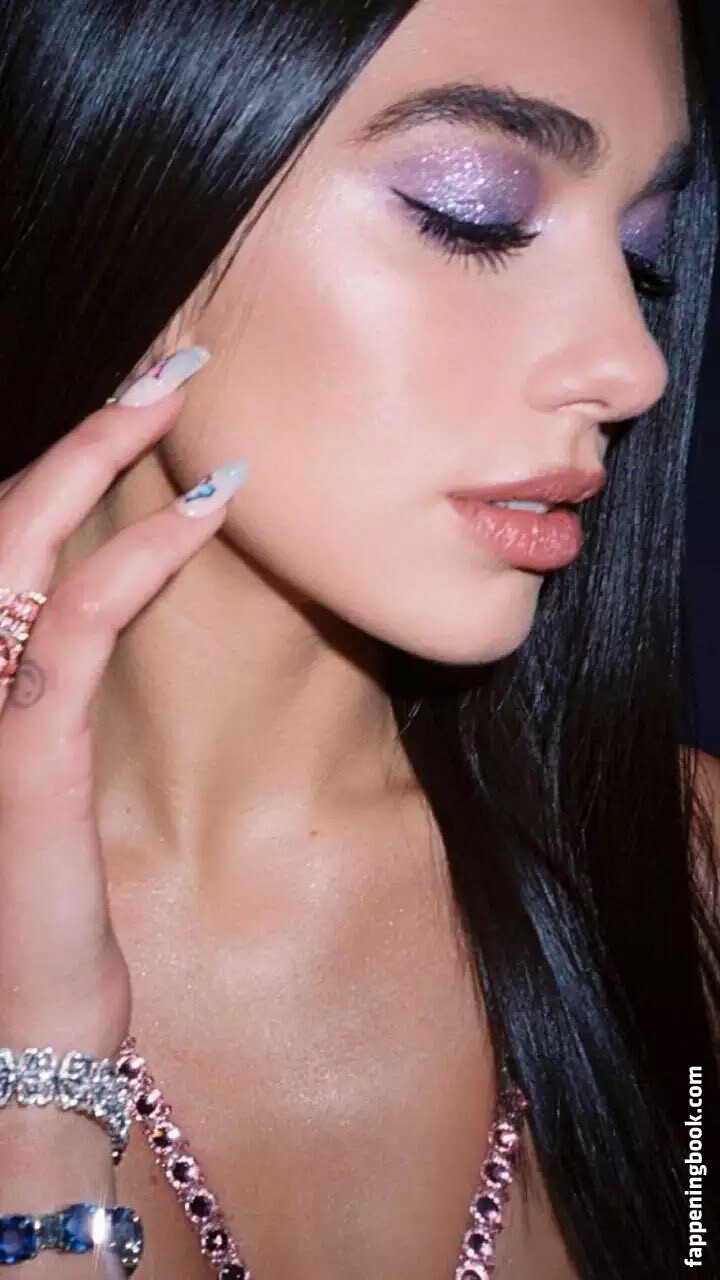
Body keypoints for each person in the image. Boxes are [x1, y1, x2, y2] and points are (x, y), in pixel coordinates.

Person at [0, 0, 718, 1277]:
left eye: (642, 254)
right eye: (474, 212)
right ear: (137, 173)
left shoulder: (693, 867)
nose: (632, 365)